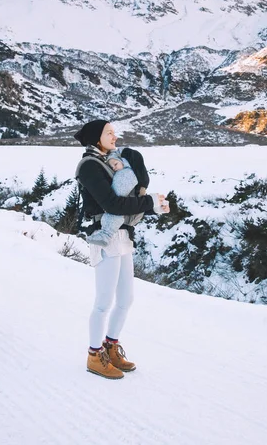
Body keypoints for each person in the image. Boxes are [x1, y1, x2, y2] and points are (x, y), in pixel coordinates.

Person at [74, 119, 170, 380]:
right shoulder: (89, 167)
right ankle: (94, 356)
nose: (115, 137)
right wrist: (147, 203)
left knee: (125, 300)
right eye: (109, 133)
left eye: (115, 132)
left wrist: (154, 206)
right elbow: (113, 204)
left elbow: (126, 202)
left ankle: (111, 347)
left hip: (123, 237)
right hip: (103, 238)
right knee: (104, 302)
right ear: (96, 138)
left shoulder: (113, 162)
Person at [86, 150, 146, 247]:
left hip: (119, 229)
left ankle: (106, 235)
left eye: (115, 164)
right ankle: (106, 234)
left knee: (114, 212)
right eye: (112, 167)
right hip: (124, 228)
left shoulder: (126, 174)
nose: (114, 168)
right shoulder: (129, 174)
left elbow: (116, 203)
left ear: (123, 161)